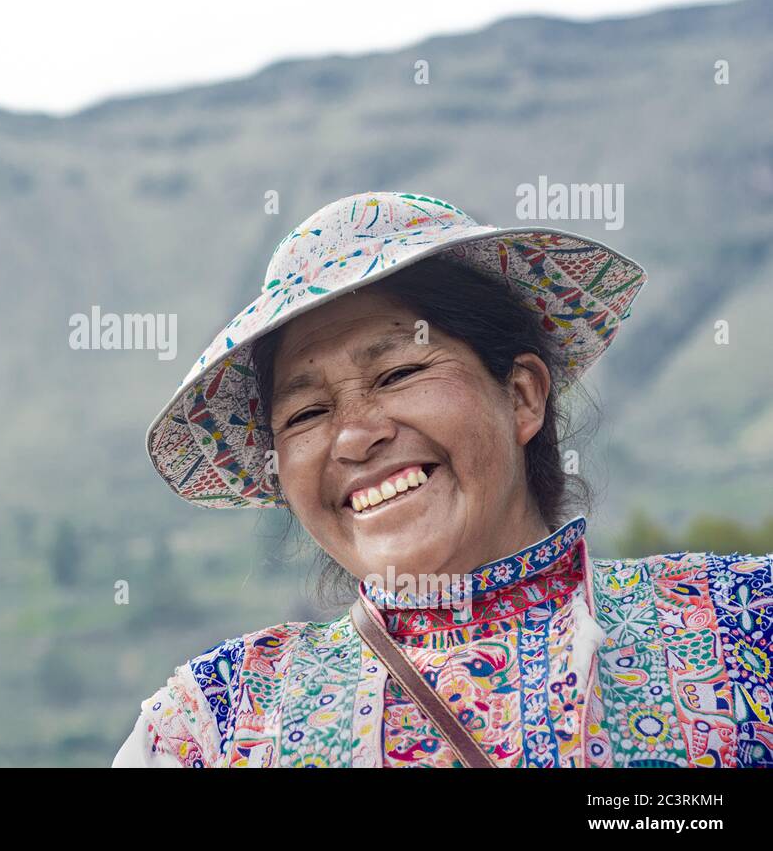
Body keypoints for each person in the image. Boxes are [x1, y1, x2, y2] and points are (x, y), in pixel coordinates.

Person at [113, 191, 772, 767]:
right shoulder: (211, 730)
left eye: (397, 374)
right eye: (308, 412)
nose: (354, 435)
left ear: (521, 396)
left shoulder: (745, 627)